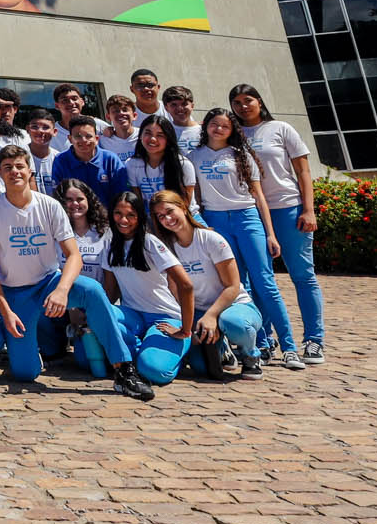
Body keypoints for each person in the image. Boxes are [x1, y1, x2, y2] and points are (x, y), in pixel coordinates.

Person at [0, 146, 152, 399]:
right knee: (25, 374)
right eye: (7, 167)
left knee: (92, 291)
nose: (14, 171)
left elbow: (74, 256)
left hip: (49, 281)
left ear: (30, 170)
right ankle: (25, 350)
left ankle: (123, 369)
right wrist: (5, 311)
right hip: (16, 292)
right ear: (0, 173)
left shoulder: (50, 205)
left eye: (19, 166)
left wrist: (62, 290)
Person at [188, 107, 300, 369]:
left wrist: (270, 234)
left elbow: (259, 196)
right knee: (239, 286)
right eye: (214, 124)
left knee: (266, 283)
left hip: (247, 218)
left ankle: (289, 346)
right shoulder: (194, 157)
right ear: (206, 127)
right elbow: (197, 197)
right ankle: (259, 344)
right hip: (215, 220)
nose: (219, 129)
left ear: (232, 130)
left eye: (225, 126)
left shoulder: (241, 154)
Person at [230, 84, 324, 364]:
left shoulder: (281, 129)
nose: (243, 106)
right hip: (251, 211)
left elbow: (303, 171)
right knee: (260, 280)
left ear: (259, 102)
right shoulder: (232, 134)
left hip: (287, 209)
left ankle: (314, 340)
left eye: (248, 100)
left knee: (303, 276)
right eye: (236, 102)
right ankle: (264, 340)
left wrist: (308, 209)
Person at [149, 190, 265, 380]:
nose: (167, 219)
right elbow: (176, 292)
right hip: (199, 313)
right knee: (201, 367)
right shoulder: (167, 247)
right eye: (160, 216)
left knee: (234, 323)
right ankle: (222, 349)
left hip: (234, 306)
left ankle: (251, 355)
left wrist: (212, 316)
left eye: (170, 211)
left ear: (183, 207)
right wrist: (187, 326)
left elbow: (232, 286)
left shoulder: (210, 239)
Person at [100, 189, 193, 388]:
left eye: (131, 215)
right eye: (118, 213)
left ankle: (176, 349)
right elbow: (110, 293)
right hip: (132, 314)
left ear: (140, 217)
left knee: (154, 371)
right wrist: (93, 320)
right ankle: (141, 349)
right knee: (99, 317)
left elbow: (186, 285)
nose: (123, 220)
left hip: (163, 317)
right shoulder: (109, 245)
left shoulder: (150, 242)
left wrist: (185, 329)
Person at [56, 180, 112, 376]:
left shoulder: (104, 231)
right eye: (68, 200)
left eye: (79, 199)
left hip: (99, 303)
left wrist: (99, 309)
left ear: (89, 200)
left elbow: (111, 279)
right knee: (83, 361)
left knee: (98, 360)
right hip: (66, 305)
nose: (74, 204)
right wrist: (72, 310)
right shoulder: (56, 232)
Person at [51, 115, 129, 212]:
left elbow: (122, 195)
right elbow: (58, 196)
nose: (84, 140)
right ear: (70, 139)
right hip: (75, 217)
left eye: (88, 136)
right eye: (78, 136)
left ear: (96, 139)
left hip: (108, 216)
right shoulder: (61, 160)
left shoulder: (110, 159)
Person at [126, 116, 198, 214]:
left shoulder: (183, 164)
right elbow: (139, 202)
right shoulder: (132, 164)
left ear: (168, 139)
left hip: (184, 216)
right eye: (148, 133)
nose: (153, 139)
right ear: (140, 136)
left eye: (160, 135)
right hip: (151, 218)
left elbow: (186, 205)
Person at [22, 111, 60, 195]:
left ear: (54, 131)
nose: (40, 131)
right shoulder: (19, 156)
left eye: (46, 127)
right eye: (35, 127)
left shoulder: (59, 158)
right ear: (27, 129)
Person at [161, 86, 203, 154]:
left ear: (192, 106)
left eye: (184, 104)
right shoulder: (164, 132)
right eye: (174, 105)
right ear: (166, 108)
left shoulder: (204, 131)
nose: (180, 108)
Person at [99, 94, 140, 159]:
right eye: (116, 111)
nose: (121, 113)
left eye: (125, 110)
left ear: (134, 115)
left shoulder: (142, 136)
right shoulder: (103, 142)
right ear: (108, 117)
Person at [50, 84, 88, 153]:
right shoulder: (51, 133)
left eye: (74, 98)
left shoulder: (99, 126)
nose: (71, 103)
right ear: (57, 106)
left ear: (82, 102)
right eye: (65, 100)